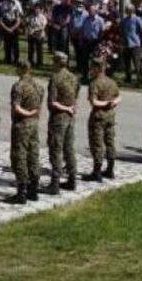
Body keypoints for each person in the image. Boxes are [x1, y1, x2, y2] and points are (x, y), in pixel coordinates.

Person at [8, 62, 44, 204]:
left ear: (21, 69)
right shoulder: (38, 86)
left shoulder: (18, 86)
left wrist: (26, 114)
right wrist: (33, 114)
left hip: (22, 124)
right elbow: (39, 106)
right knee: (33, 154)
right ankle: (33, 189)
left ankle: (21, 191)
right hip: (34, 124)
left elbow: (16, 107)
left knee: (19, 156)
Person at [45, 51, 79, 194]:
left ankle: (55, 182)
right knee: (69, 147)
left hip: (58, 117)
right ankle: (72, 178)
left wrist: (64, 108)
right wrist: (71, 108)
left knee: (56, 148)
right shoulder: (74, 77)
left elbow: (52, 102)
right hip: (70, 117)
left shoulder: (55, 78)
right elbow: (75, 96)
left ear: (57, 62)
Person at [83, 58, 120, 181]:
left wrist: (105, 103)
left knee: (97, 143)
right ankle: (110, 169)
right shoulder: (111, 82)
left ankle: (97, 172)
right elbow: (118, 97)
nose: (90, 69)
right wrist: (112, 103)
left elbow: (94, 102)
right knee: (110, 142)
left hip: (98, 117)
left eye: (92, 67)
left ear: (97, 68)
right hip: (110, 116)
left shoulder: (94, 83)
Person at [121, 5, 142, 84]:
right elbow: (122, 31)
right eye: (126, 10)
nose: (126, 11)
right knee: (127, 62)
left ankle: (140, 79)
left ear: (132, 10)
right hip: (126, 44)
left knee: (137, 63)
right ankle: (128, 78)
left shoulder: (137, 19)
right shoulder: (124, 20)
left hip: (135, 44)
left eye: (128, 10)